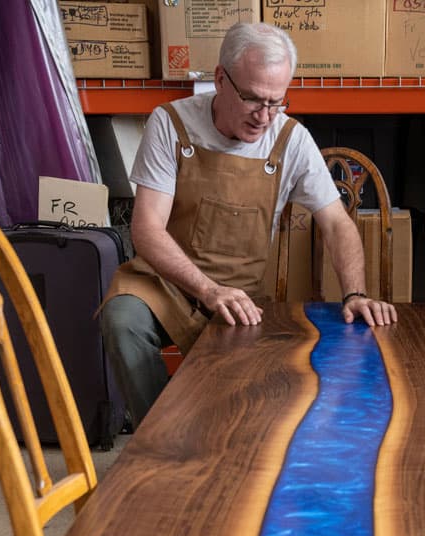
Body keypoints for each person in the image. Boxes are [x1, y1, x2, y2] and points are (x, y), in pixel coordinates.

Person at [100, 21, 397, 427]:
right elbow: (147, 230)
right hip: (164, 285)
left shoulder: (290, 138)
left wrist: (355, 293)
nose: (265, 116)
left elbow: (335, 222)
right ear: (221, 79)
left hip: (239, 295)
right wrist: (207, 289)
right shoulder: (171, 123)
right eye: (253, 99)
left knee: (244, 414)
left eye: (276, 102)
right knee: (122, 320)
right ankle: (157, 438)